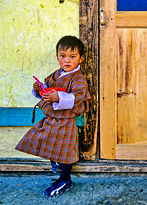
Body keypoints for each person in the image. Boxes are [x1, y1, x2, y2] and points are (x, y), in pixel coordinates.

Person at [15, 35, 91, 197]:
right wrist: (39, 88)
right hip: (52, 118)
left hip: (67, 121)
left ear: (81, 59)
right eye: (62, 56)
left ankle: (65, 180)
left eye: (72, 57)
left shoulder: (78, 79)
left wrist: (59, 98)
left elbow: (78, 96)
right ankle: (55, 160)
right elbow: (46, 86)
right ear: (57, 57)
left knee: (65, 150)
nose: (67, 61)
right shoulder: (57, 74)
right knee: (43, 137)